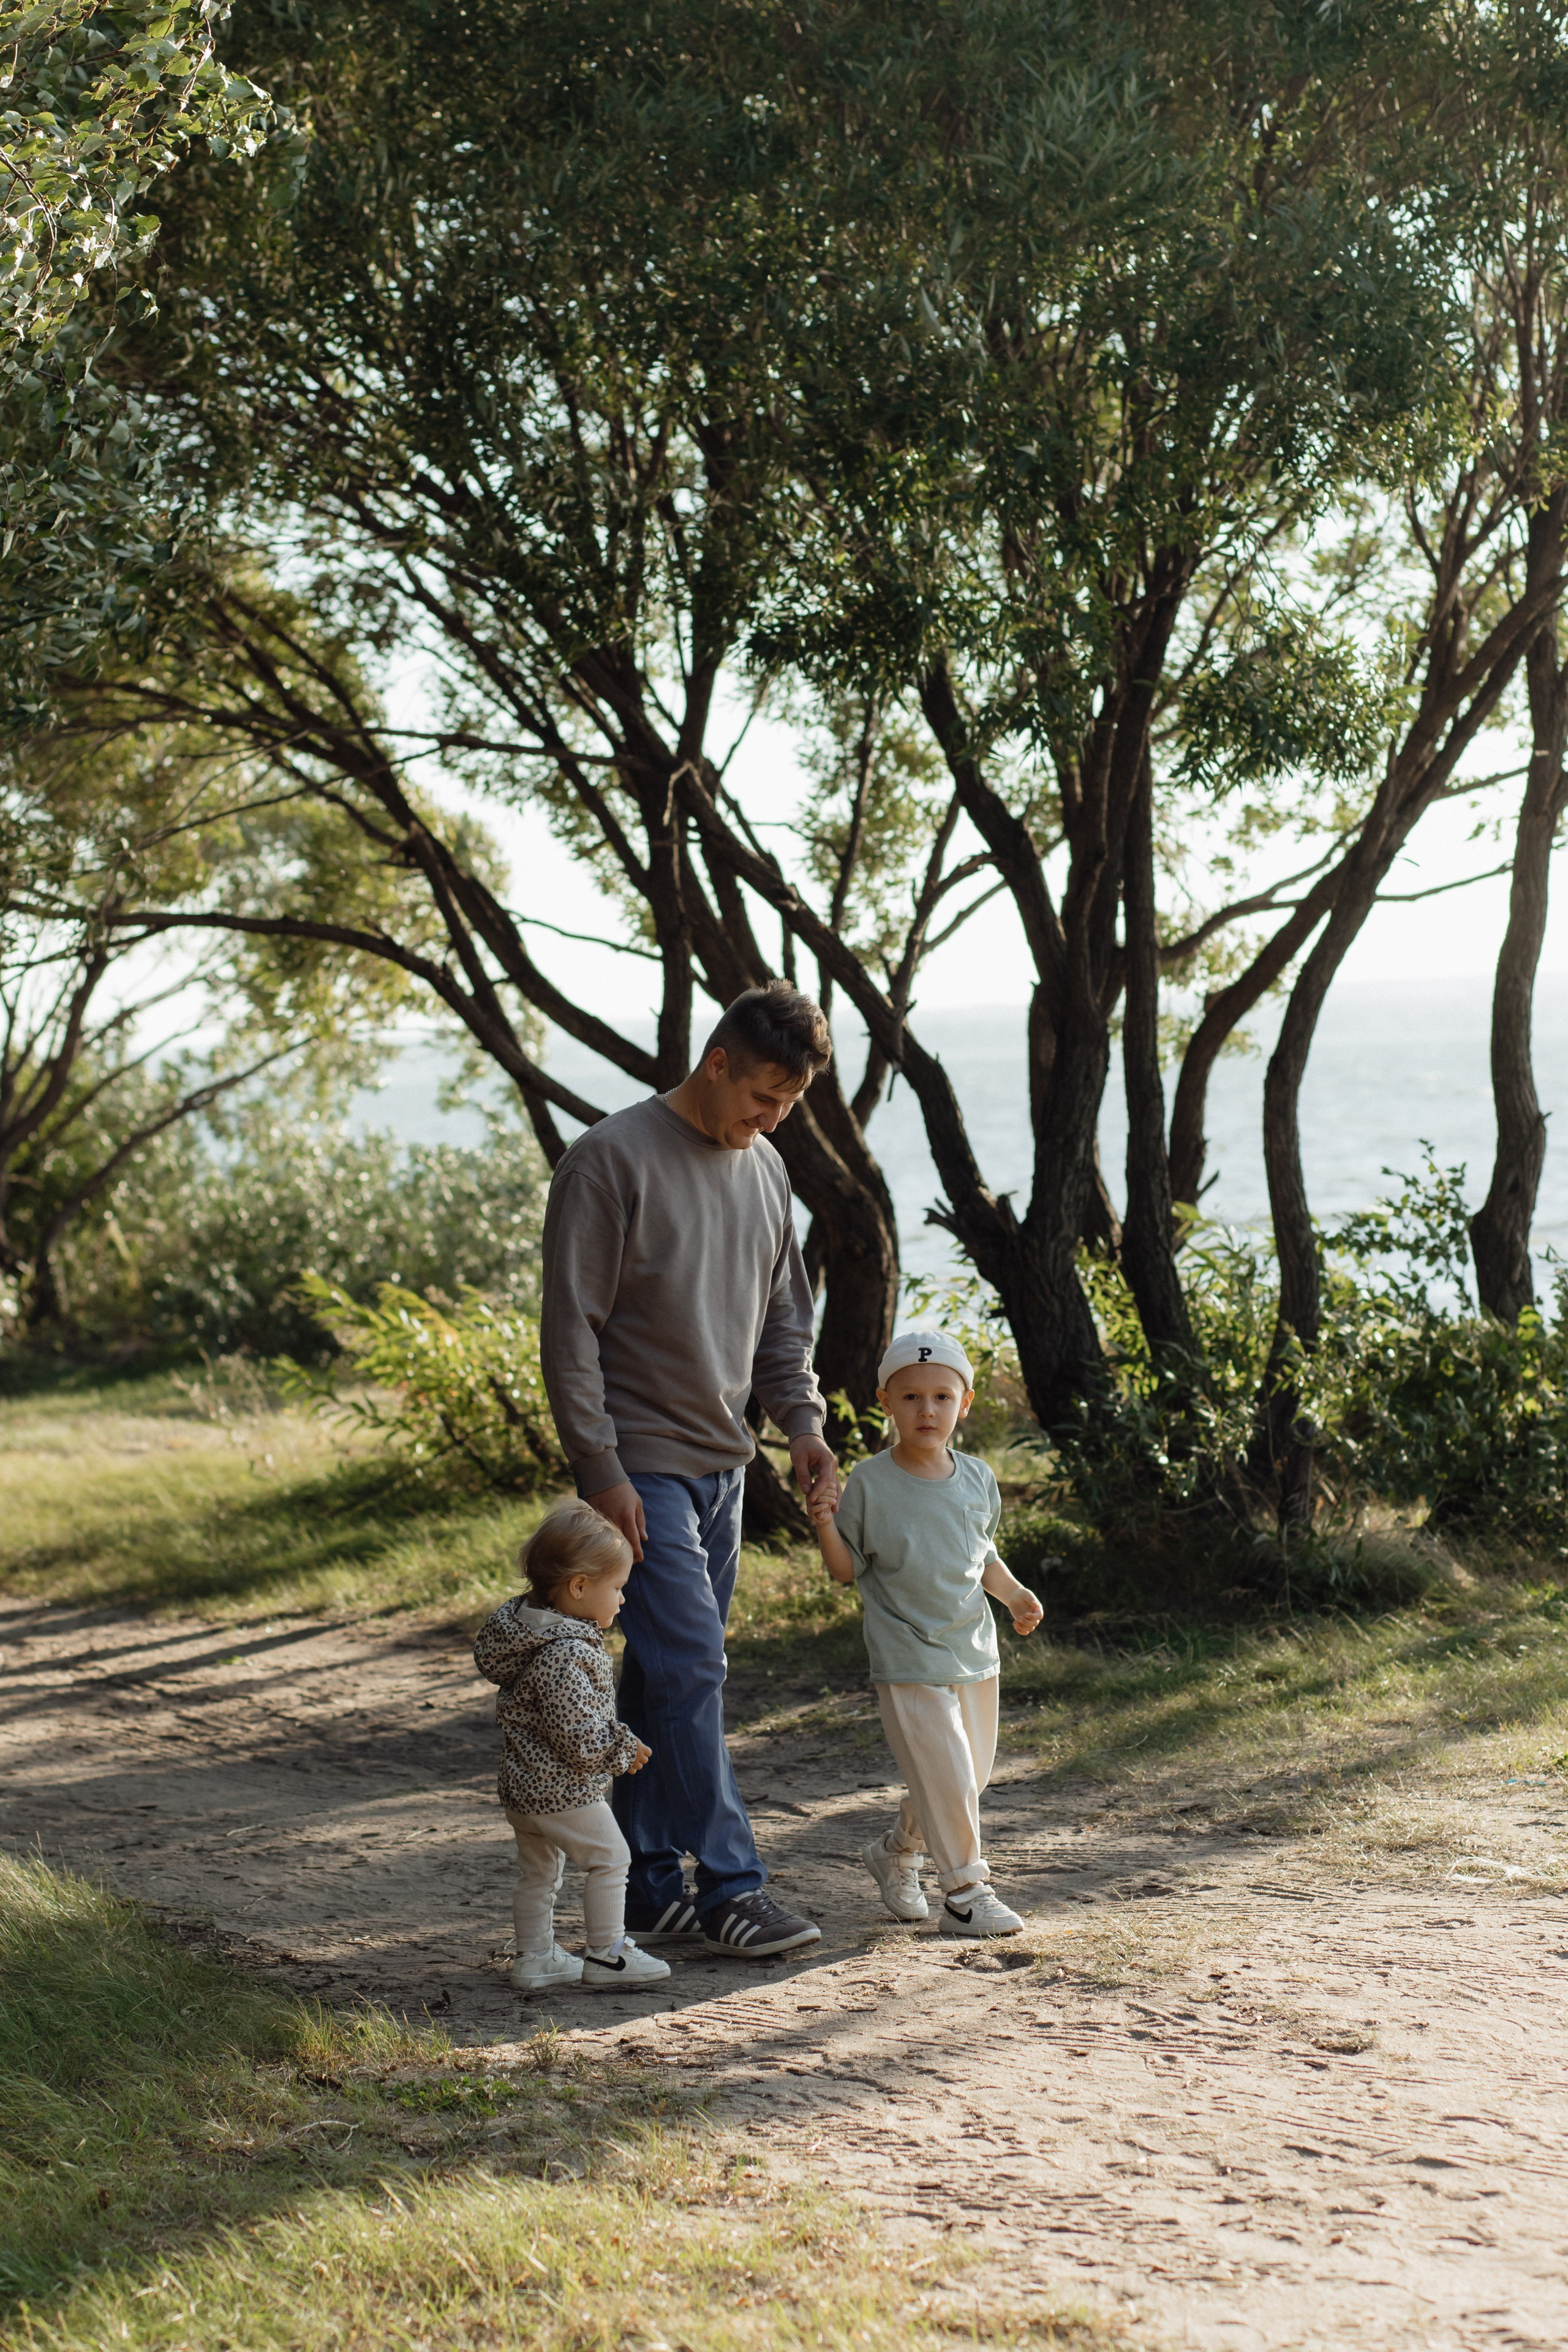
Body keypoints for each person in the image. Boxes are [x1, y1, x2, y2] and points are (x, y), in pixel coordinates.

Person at [540, 981, 840, 1959]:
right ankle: (734, 1886)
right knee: (696, 1666)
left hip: (726, 1468)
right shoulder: (609, 1160)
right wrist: (601, 1469)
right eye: (763, 1095)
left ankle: (640, 1878)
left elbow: (784, 1319)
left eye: (790, 1103)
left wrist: (800, 1422)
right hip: (641, 1471)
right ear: (716, 1062)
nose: (773, 1116)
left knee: (662, 1680)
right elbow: (570, 1332)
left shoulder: (767, 1171)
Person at [810, 1327, 1044, 1937]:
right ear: (885, 1401)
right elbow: (845, 1571)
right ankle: (966, 1892)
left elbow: (981, 1555)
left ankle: (895, 1852)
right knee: (946, 1773)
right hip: (906, 1652)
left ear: (963, 1404)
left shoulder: (976, 1478)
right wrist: (824, 1525)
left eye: (942, 1396)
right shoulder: (869, 1482)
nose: (927, 1409)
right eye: (910, 1397)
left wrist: (1014, 1593)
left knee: (967, 1778)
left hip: (973, 1650)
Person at [473, 1500, 673, 1992]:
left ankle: (536, 1958)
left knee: (539, 1875)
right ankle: (607, 1953)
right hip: (562, 1791)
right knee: (611, 1858)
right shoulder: (565, 1653)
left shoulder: (528, 1634)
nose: (622, 1601)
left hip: (523, 1788)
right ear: (579, 1587)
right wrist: (623, 1750)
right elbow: (580, 1736)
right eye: (618, 1589)